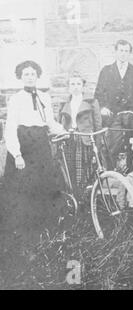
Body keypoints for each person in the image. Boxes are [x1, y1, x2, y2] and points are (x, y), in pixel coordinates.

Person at [3, 60, 66, 240]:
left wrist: (63, 131)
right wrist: (17, 154)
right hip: (24, 145)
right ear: (21, 78)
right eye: (26, 74)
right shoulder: (16, 99)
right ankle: (23, 229)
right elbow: (11, 127)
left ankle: (43, 226)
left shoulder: (44, 97)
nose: (29, 77)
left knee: (43, 183)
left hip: (41, 144)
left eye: (32, 74)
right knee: (23, 186)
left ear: (37, 76)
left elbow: (50, 122)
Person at [94, 40, 133, 166]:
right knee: (112, 146)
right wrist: (102, 107)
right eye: (121, 51)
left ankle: (131, 174)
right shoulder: (106, 71)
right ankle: (112, 175)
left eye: (126, 51)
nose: (123, 54)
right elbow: (98, 93)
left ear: (129, 53)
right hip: (113, 116)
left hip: (132, 115)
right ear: (116, 52)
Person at [58, 72, 102, 203]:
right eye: (72, 84)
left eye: (78, 84)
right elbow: (60, 125)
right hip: (69, 141)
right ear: (68, 87)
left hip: (86, 141)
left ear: (83, 86)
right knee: (70, 173)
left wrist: (97, 148)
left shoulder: (92, 102)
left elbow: (98, 126)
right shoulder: (64, 104)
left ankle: (89, 203)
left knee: (86, 173)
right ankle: (75, 202)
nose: (75, 87)